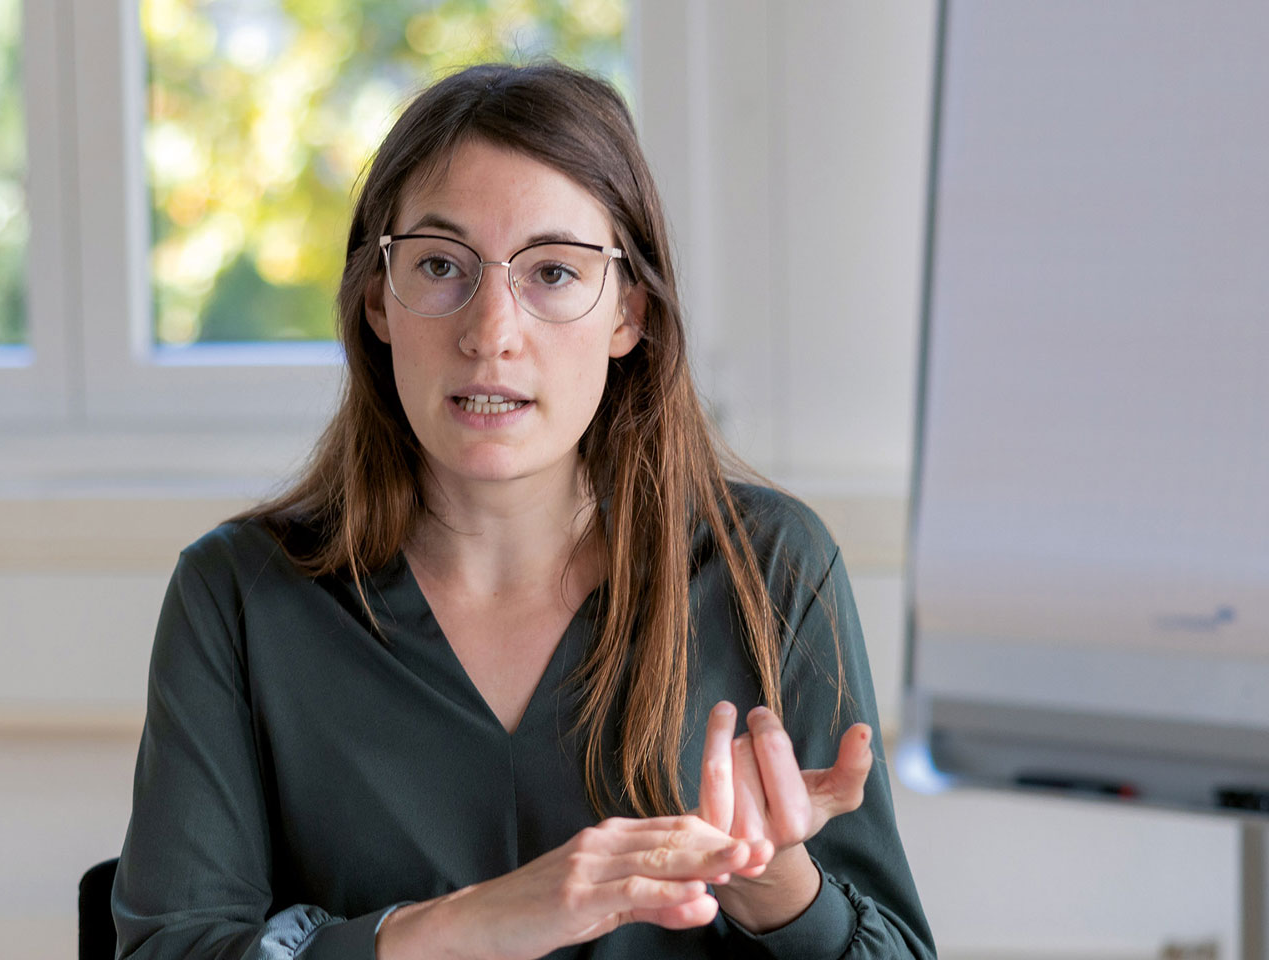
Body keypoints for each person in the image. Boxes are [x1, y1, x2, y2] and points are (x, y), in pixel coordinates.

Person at [112, 61, 935, 960]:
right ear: (378, 300)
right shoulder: (237, 595)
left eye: (552, 272)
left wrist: (776, 887)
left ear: (628, 314)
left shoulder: (768, 569)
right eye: (439, 265)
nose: (491, 333)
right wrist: (458, 927)